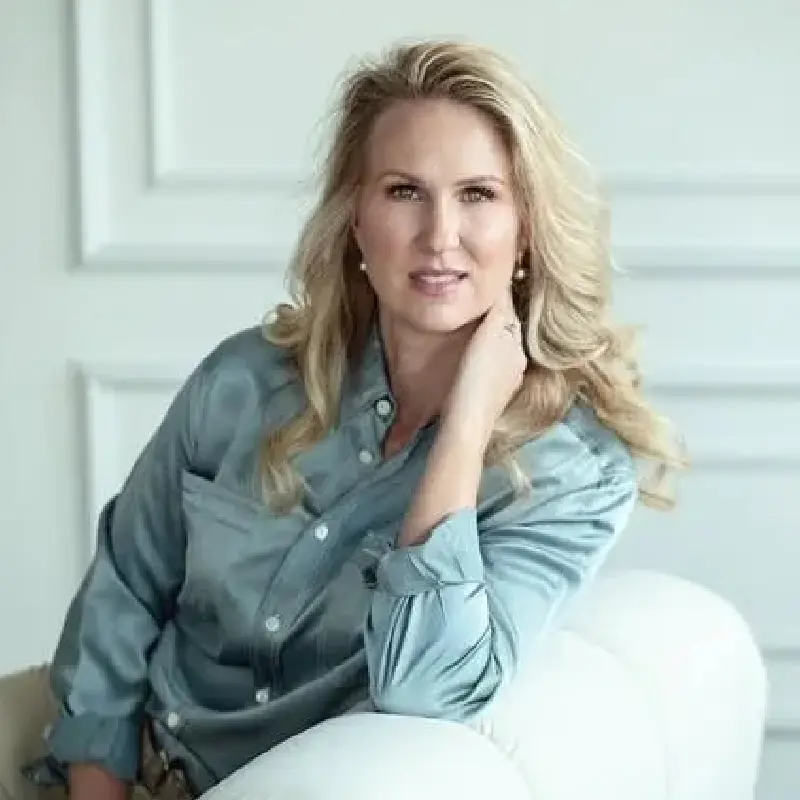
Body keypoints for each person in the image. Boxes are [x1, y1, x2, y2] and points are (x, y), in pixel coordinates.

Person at [22, 38, 685, 799]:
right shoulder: (244, 379)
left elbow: (426, 687)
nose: (441, 236)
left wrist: (464, 431)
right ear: (356, 220)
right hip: (107, 767)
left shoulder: (572, 473)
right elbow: (126, 587)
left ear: (526, 228)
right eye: (405, 191)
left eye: (478, 194)